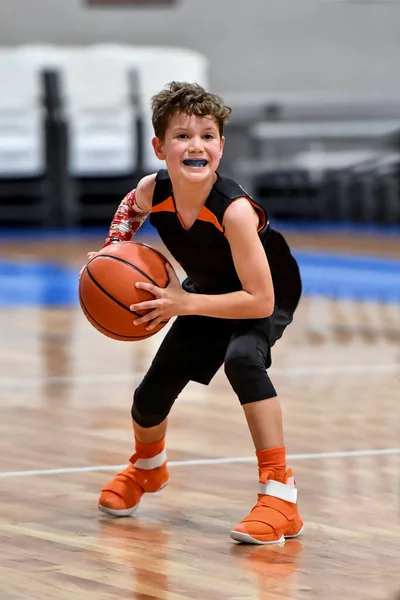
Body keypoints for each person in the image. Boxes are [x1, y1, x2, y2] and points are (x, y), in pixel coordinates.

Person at [82, 81, 304, 545]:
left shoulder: (235, 211)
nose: (196, 144)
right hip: (206, 290)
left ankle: (280, 494)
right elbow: (130, 206)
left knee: (243, 360)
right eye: (183, 136)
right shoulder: (154, 189)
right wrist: (111, 252)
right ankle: (147, 468)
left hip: (267, 291)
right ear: (159, 147)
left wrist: (183, 303)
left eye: (207, 134)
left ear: (221, 145)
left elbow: (259, 301)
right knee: (150, 396)